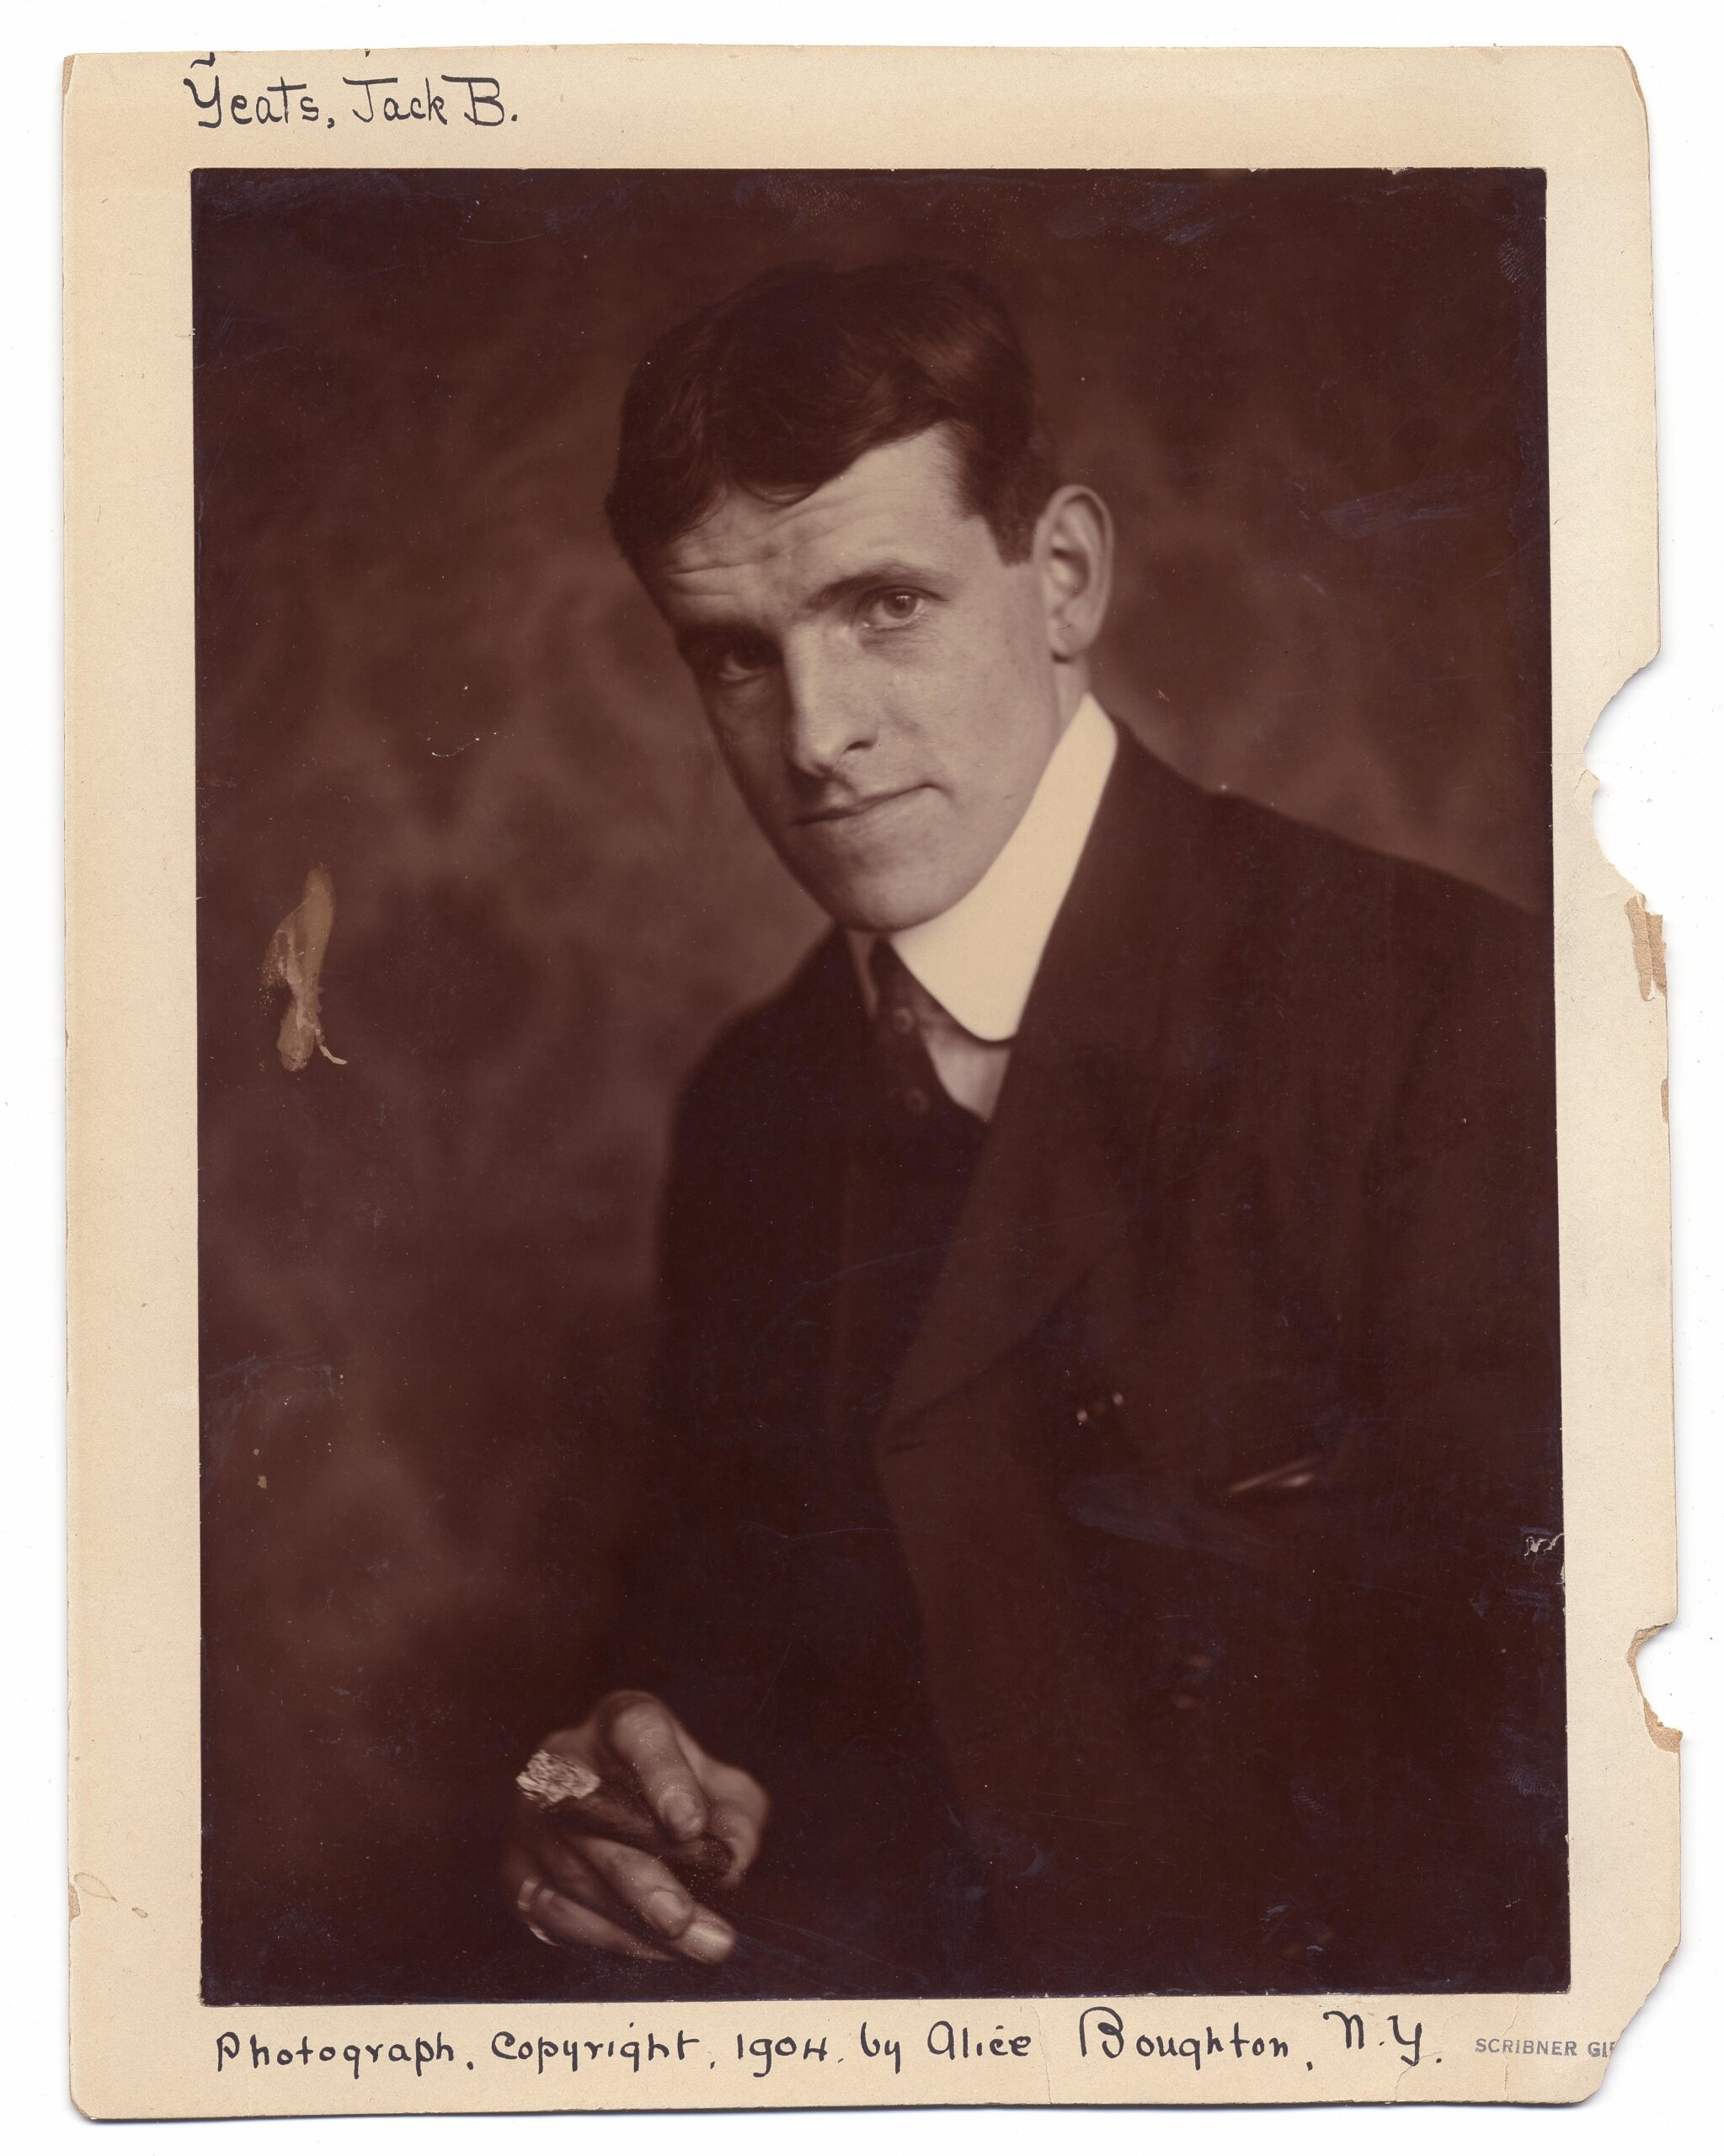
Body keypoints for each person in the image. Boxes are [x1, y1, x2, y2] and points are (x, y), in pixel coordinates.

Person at [500, 258, 1567, 1998]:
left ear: (1060, 576)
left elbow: (1577, 1776)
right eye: (733, 656)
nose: (818, 735)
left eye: (884, 606)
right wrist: (612, 1784)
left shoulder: (1450, 1008)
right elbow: (709, 1661)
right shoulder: (756, 1104)